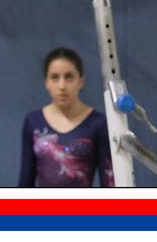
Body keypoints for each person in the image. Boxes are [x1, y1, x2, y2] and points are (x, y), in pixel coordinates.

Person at [18, 47, 114, 187]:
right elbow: (25, 181)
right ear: (46, 82)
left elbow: (109, 181)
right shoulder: (33, 122)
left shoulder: (98, 123)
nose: (62, 86)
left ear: (81, 81)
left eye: (69, 77)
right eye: (55, 77)